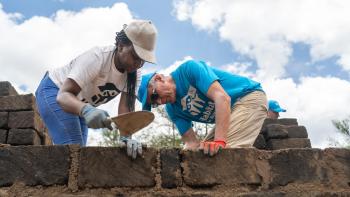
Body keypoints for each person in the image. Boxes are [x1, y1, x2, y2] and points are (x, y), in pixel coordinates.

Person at [35, 20, 157, 159]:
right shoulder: (97, 57)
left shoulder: (134, 74)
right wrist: (86, 110)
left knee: (80, 155)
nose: (138, 64)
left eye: (143, 60)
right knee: (73, 152)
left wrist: (126, 137)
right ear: (121, 46)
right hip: (55, 90)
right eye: (135, 57)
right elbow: (63, 96)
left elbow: (126, 109)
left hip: (79, 102)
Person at [137, 60, 267, 156]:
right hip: (231, 114)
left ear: (159, 78)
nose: (159, 102)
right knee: (203, 155)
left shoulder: (188, 70)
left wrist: (220, 142)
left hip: (248, 96)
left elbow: (222, 98)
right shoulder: (172, 110)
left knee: (225, 153)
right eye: (154, 103)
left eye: (154, 96)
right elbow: (192, 143)